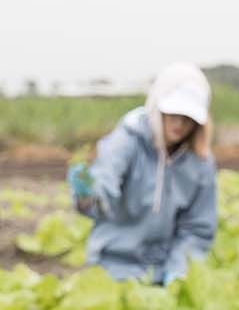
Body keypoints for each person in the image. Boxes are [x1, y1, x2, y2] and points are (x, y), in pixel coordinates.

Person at [70, 63, 217, 284]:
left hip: (163, 270)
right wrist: (89, 194)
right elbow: (105, 180)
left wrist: (178, 271)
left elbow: (198, 227)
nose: (180, 124)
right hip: (112, 268)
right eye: (174, 113)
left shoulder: (200, 162)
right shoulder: (126, 142)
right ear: (158, 107)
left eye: (189, 117)